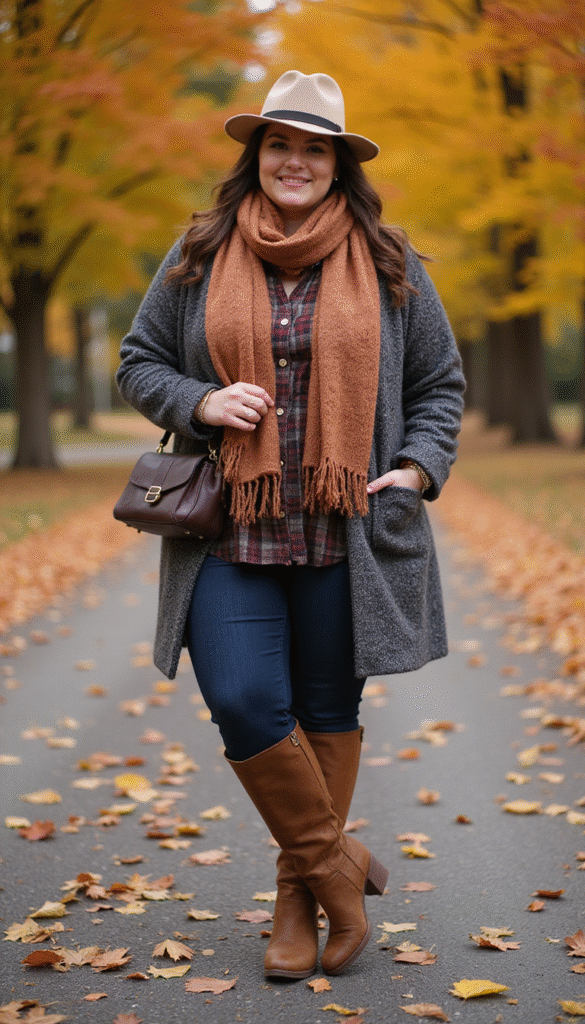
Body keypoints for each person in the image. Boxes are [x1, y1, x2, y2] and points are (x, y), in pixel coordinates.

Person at [117, 70, 465, 979]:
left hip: (348, 531)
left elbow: (438, 386)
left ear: (339, 166)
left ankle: (295, 898)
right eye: (280, 145)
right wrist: (199, 399)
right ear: (256, 156)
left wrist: (418, 466)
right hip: (228, 530)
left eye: (315, 148)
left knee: (324, 711)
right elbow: (138, 360)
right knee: (241, 701)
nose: (296, 161)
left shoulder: (390, 262)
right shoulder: (198, 252)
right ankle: (336, 872)